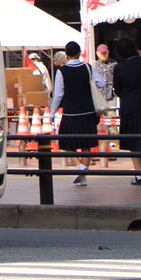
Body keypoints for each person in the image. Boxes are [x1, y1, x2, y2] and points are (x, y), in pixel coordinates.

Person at [50, 40, 108, 185]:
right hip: (88, 111)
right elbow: (102, 82)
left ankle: (80, 167)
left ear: (67, 54)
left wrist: (52, 112)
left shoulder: (61, 72)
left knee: (66, 142)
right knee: (86, 144)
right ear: (78, 52)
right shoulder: (88, 67)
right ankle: (83, 175)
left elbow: (58, 95)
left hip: (70, 112)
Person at [113, 37, 141, 186]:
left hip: (130, 108)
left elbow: (118, 90)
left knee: (134, 143)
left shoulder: (120, 68)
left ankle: (139, 175)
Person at [93, 42, 117, 109]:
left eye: (105, 53)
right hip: (99, 97)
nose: (103, 55)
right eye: (101, 53)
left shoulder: (114, 64)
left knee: (112, 115)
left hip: (112, 96)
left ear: (108, 52)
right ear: (97, 53)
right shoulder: (94, 66)